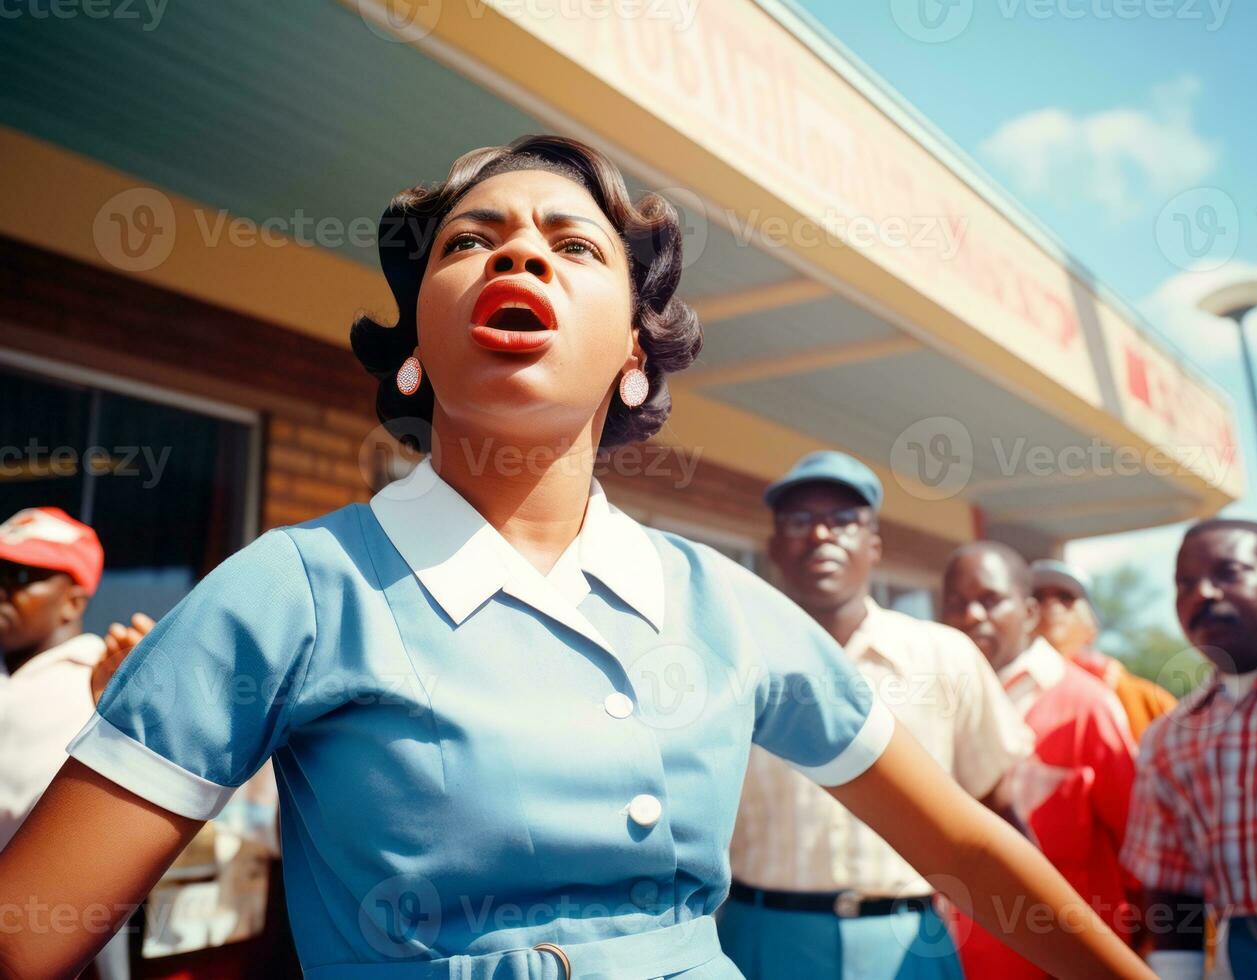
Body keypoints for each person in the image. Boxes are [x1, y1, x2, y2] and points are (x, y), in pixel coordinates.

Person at [0, 136, 1152, 980]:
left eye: (572, 245)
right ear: (411, 351)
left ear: (636, 357)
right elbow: (27, 931)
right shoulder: (286, 590)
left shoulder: (720, 602)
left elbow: (955, 837)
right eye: (471, 241)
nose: (520, 257)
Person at [721, 451, 1033, 979]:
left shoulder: (947, 656)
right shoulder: (730, 656)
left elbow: (997, 811)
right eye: (800, 520)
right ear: (774, 547)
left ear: (874, 545)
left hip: (910, 939)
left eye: (845, 520)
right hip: (763, 937)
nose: (822, 534)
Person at [942, 542, 1140, 979]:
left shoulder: (1086, 706)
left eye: (990, 600)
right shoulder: (936, 706)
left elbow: (1139, 849)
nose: (972, 615)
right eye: (956, 603)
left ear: (1030, 614)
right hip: (953, 960)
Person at [1121, 519, 1257, 979]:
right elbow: (1170, 886)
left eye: (1229, 573)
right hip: (1243, 958)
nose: (1204, 593)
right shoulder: (1171, 736)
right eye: (1186, 583)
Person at [0, 506, 149, 980]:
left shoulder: (102, 681)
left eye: (22, 574)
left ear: (72, 600)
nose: (3, 587)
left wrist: (133, 727)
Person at [1030, 559, 1176, 742]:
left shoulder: (1145, 700)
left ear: (1090, 621)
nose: (1051, 605)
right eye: (1038, 598)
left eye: (1066, 597)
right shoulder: (1005, 691)